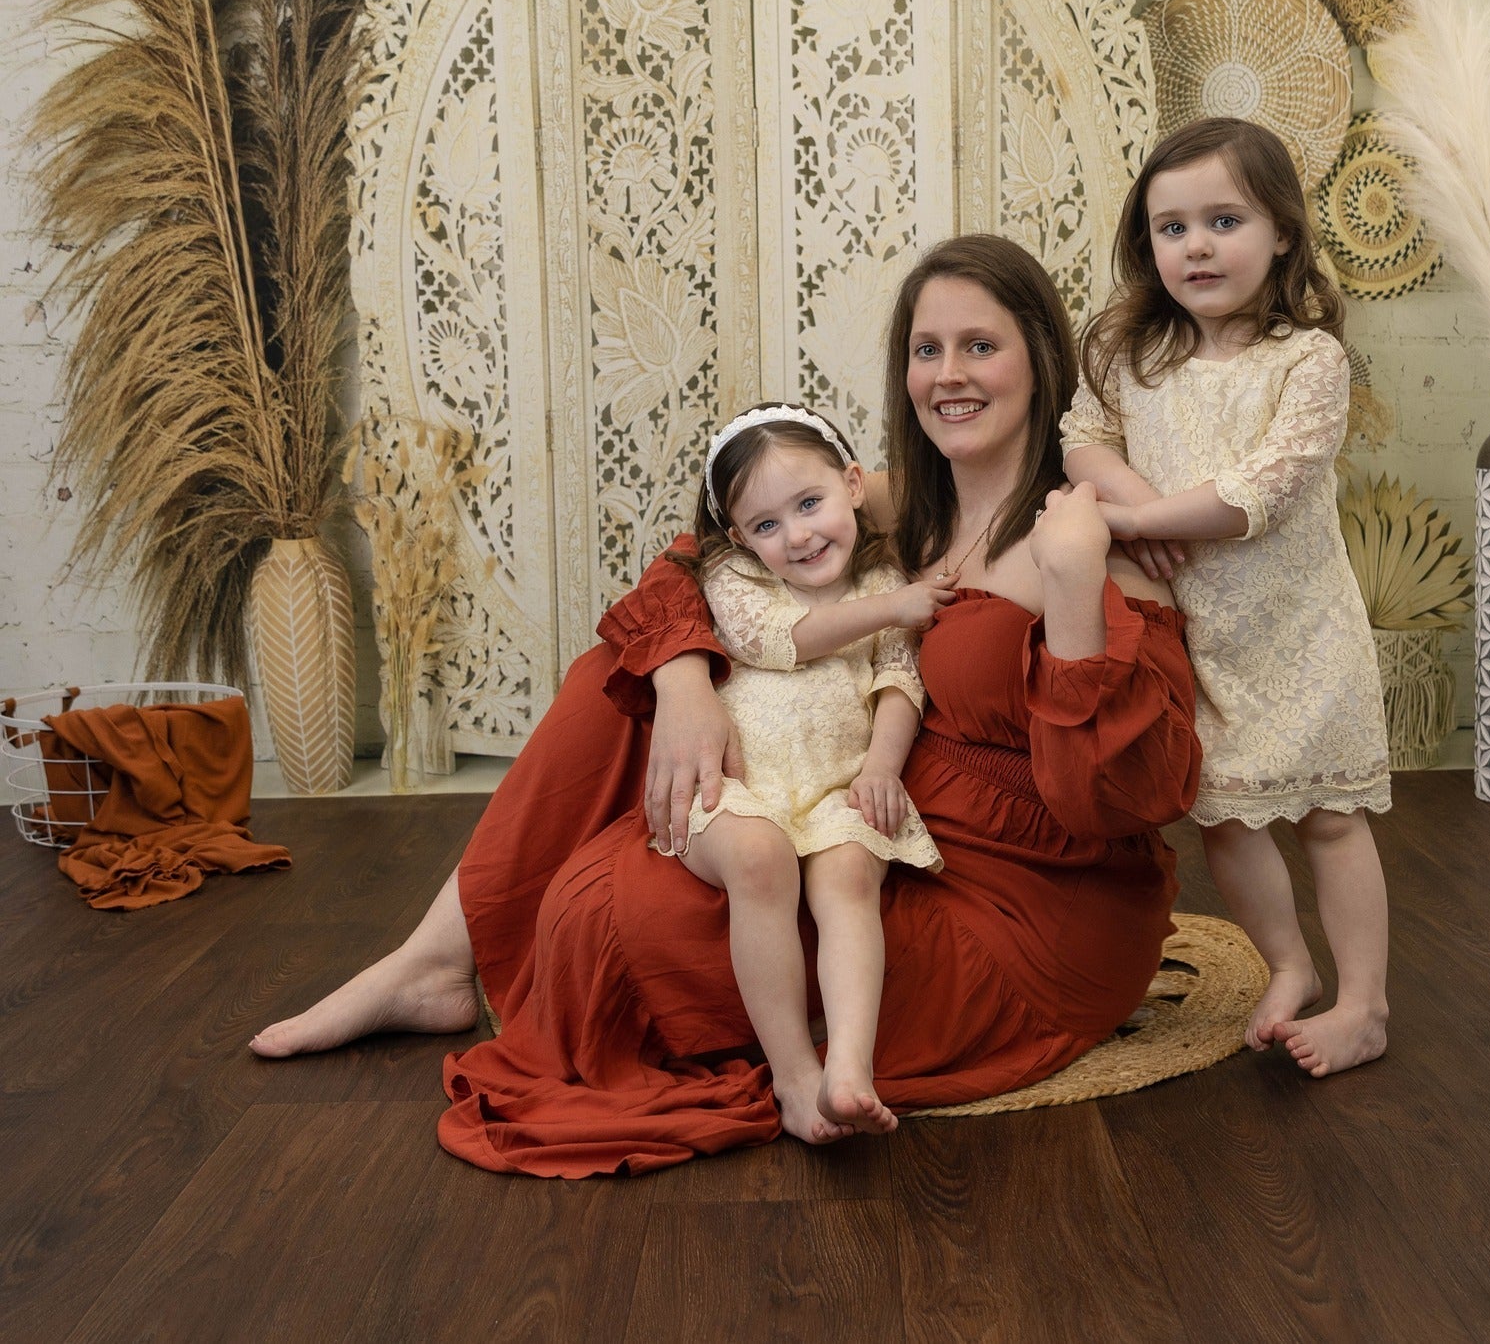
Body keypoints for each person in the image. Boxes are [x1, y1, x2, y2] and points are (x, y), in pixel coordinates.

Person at [249, 235, 1202, 1178]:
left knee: (612, 919)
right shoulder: (897, 502)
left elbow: (1129, 799)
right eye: (927, 348)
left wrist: (1072, 588)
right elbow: (699, 553)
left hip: (1030, 893)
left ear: (1039, 353)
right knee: (614, 680)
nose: (948, 373)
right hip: (876, 811)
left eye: (980, 345)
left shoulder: (1088, 539)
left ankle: (800, 1058)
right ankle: (432, 957)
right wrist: (683, 684)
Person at [1062, 116, 1394, 1078]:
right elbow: (1083, 437)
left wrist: (1137, 520)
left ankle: (1364, 1003)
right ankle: (1288, 964)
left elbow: (1265, 487)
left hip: (1301, 630)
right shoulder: (1132, 352)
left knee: (1329, 817)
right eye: (1172, 228)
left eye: (1224, 221)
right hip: (1198, 633)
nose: (1196, 247)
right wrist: (1138, 499)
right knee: (1227, 816)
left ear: (1282, 231)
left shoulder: (1307, 361)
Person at [670, 401, 949, 1143]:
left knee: (851, 876)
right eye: (766, 524)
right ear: (739, 536)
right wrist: (892, 607)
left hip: (836, 782)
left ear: (853, 485)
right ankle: (794, 1076)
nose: (796, 535)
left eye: (809, 503)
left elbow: (900, 679)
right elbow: (781, 641)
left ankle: (849, 1068)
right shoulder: (734, 577)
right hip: (737, 789)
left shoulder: (882, 575)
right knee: (760, 859)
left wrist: (882, 769)